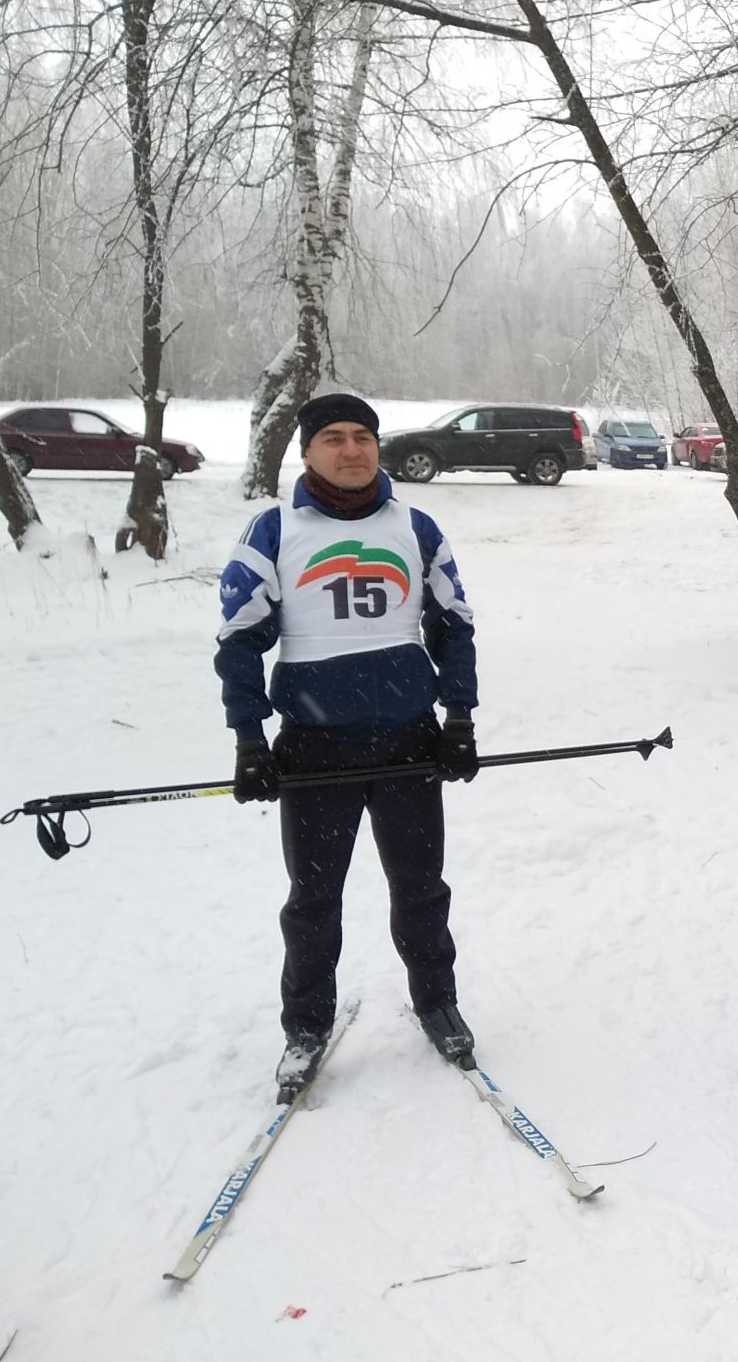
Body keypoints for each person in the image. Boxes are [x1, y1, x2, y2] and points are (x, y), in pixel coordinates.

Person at [216, 393, 481, 1099]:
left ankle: (436, 1003)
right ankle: (305, 1027)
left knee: (422, 890)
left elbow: (454, 628)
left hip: (406, 743)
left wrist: (459, 720)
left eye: (362, 436)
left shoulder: (415, 527)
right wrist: (249, 739)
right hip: (314, 749)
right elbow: (239, 641)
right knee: (313, 899)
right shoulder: (272, 530)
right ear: (307, 452)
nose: (351, 449)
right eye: (332, 438)